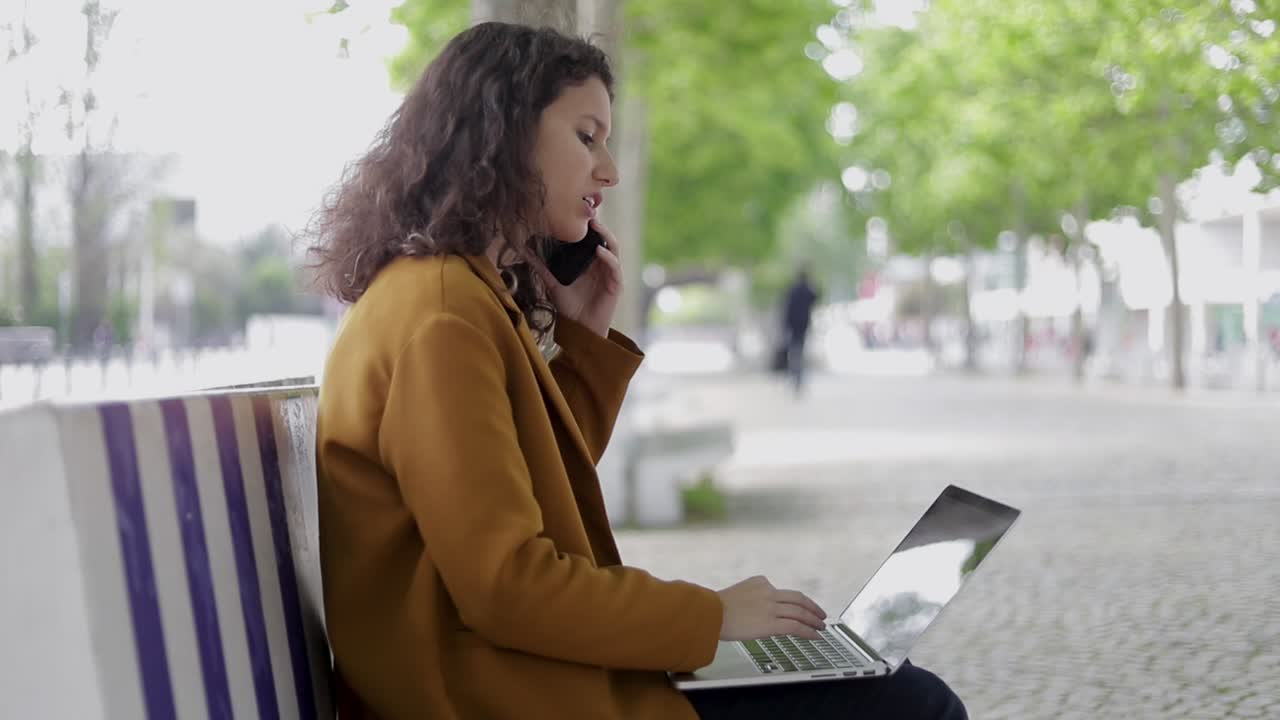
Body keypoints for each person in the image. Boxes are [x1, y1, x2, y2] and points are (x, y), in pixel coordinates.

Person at [307, 21, 966, 719]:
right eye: (586, 136)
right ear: (500, 136)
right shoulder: (442, 316)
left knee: (889, 689)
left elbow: (528, 493)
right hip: (493, 695)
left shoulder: (452, 294)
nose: (609, 170)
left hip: (507, 678)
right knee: (913, 704)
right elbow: (507, 587)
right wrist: (712, 617)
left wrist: (582, 339)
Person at [781, 267, 820, 394]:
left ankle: (797, 378)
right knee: (798, 352)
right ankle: (798, 378)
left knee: (795, 353)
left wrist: (785, 326)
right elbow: (815, 297)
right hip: (802, 325)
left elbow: (787, 309)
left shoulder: (793, 290)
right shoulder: (806, 290)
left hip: (794, 326)